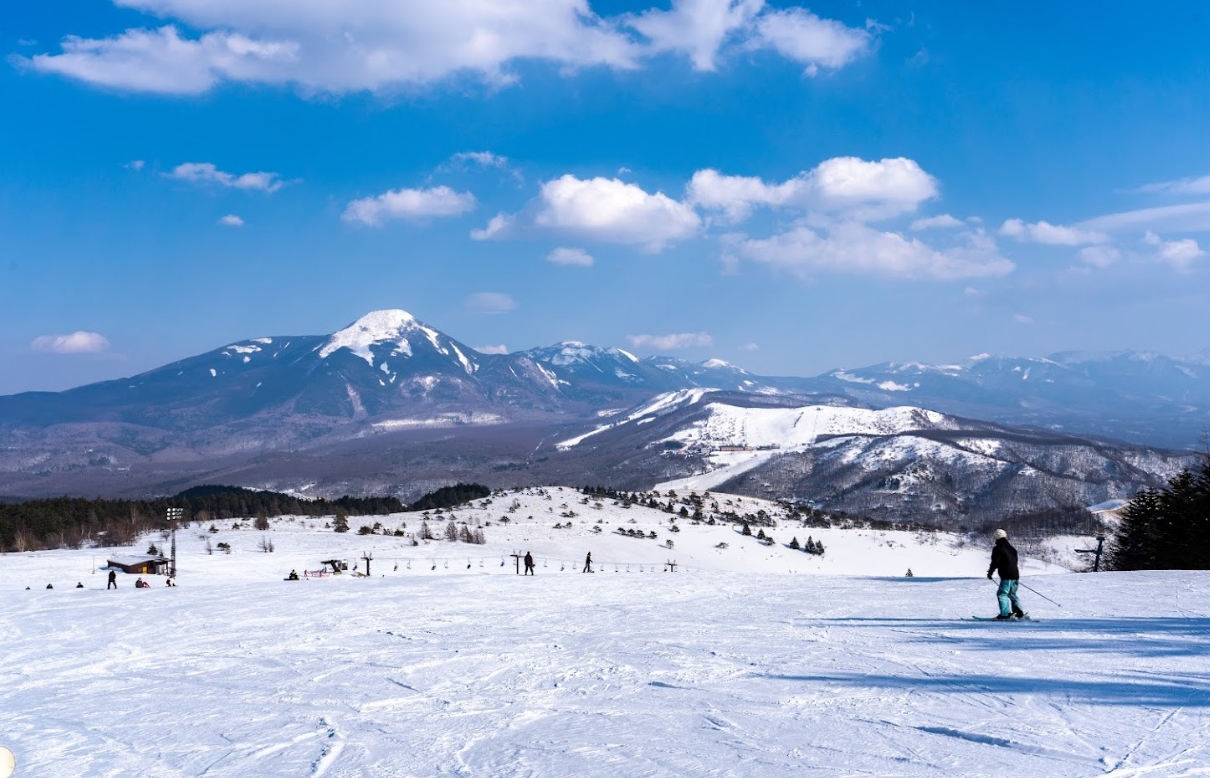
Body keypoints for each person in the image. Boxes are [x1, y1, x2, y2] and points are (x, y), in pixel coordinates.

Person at [987, 529, 1026, 620]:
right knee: (1012, 594)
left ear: (996, 537)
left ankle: (1004, 614)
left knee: (1002, 594)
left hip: (1006, 576)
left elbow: (995, 562)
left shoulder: (998, 548)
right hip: (1015, 575)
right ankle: (1019, 612)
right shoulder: (1012, 548)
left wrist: (990, 572)